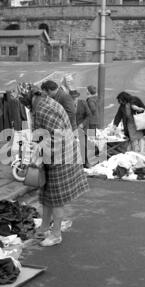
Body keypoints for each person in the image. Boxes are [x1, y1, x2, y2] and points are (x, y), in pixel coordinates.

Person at [17, 82, 89, 247]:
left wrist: (37, 150)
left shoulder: (44, 108)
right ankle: (44, 227)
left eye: (23, 100)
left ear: (30, 97)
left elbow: (58, 137)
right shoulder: (40, 104)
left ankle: (56, 234)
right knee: (46, 195)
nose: (23, 104)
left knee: (56, 198)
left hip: (61, 156)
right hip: (52, 154)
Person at [70, 89, 91, 167]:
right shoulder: (68, 104)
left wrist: (83, 124)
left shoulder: (83, 103)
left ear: (77, 97)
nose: (74, 100)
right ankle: (74, 164)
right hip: (72, 128)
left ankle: (85, 162)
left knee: (83, 145)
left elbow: (89, 115)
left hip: (82, 127)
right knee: (72, 146)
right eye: (72, 98)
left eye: (75, 98)